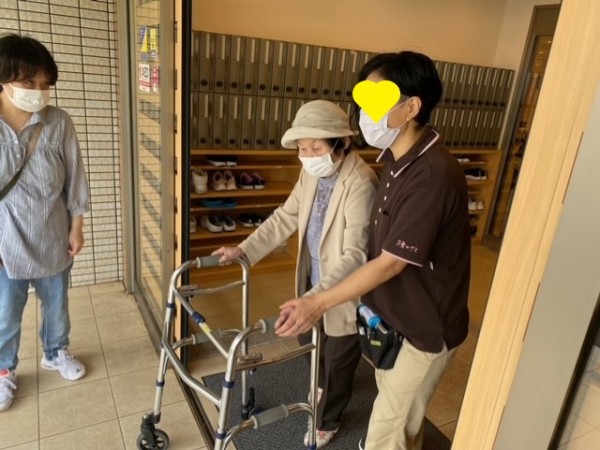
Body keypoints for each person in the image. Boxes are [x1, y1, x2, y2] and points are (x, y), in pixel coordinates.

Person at [275, 51, 471, 450]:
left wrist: (318, 302)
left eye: (377, 101)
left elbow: (390, 263)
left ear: (411, 107)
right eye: (363, 100)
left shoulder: (432, 175)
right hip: (393, 321)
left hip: (424, 331)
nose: (364, 113)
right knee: (399, 422)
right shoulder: (395, 160)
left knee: (386, 433)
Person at [213, 100, 378, 448]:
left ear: (341, 143)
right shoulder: (311, 173)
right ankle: (322, 382)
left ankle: (328, 419)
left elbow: (356, 255)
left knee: (339, 355)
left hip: (343, 289)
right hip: (312, 279)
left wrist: (316, 300)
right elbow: (285, 216)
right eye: (302, 148)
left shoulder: (361, 182)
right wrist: (245, 250)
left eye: (316, 148)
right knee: (310, 341)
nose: (307, 155)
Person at [0, 34, 90, 411]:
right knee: (5, 312)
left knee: (57, 304)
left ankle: (55, 352)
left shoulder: (58, 122)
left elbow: (75, 177)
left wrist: (76, 226)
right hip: (6, 241)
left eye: (45, 83)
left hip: (53, 234)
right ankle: (3, 370)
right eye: (28, 82)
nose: (39, 91)